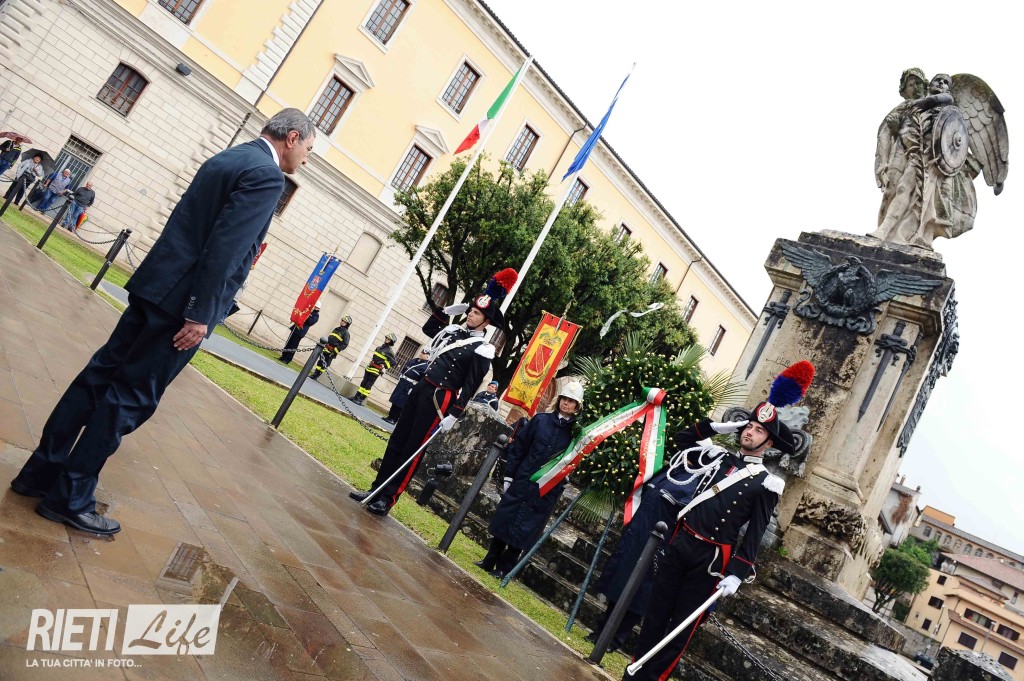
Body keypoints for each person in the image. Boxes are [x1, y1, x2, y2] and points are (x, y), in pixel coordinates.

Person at [9, 108, 316, 535]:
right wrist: (200, 313)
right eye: (308, 149)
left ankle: (39, 475)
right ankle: (69, 497)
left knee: (97, 379)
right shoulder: (267, 176)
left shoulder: (229, 156)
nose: (306, 158)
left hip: (156, 286)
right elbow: (226, 248)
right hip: (181, 307)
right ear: (292, 137)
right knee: (128, 399)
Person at [624, 405, 796, 680]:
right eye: (749, 426)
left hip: (711, 560)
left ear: (769, 443)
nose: (750, 432)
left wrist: (737, 573)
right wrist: (714, 427)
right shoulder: (718, 458)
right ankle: (634, 675)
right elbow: (681, 440)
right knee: (655, 613)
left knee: (681, 627)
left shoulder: (766, 483)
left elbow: (756, 532)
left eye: (758, 431)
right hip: (682, 543)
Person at [348, 271, 516, 516]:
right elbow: (429, 329)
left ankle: (388, 498)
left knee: (412, 448)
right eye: (471, 310)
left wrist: (455, 413)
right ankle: (376, 489)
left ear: (486, 322)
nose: (471, 314)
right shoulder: (452, 332)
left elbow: (471, 385)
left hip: (440, 398)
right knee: (397, 441)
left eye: (477, 313)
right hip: (422, 388)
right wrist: (445, 311)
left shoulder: (483, 348)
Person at [587, 467, 703, 653]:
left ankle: (615, 639)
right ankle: (601, 632)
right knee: (620, 584)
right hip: (638, 535)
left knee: (640, 593)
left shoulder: (696, 483)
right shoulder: (670, 469)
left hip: (659, 546)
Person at [475, 381, 583, 578]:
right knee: (506, 520)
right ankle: (489, 560)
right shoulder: (540, 421)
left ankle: (504, 568)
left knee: (524, 528)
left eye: (571, 401)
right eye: (564, 399)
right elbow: (520, 447)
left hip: (543, 488)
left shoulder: (575, 433)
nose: (566, 403)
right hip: (523, 479)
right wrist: (510, 474)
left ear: (577, 406)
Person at [347, 333, 397, 406]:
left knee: (368, 385)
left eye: (389, 339)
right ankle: (356, 397)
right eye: (386, 338)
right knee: (363, 383)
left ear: (391, 342)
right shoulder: (379, 348)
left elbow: (394, 362)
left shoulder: (389, 351)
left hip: (376, 370)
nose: (386, 339)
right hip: (370, 367)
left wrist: (384, 365)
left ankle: (361, 400)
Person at [385, 348, 430, 424]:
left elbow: (421, 379)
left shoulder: (425, 367)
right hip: (403, 381)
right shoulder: (414, 360)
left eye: (424, 353)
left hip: (410, 385)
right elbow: (405, 368)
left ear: (427, 356)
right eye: (422, 352)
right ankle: (390, 416)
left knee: (401, 402)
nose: (421, 354)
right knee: (395, 399)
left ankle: (394, 419)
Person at [310, 315, 353, 380]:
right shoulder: (336, 329)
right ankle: (314, 374)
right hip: (326, 348)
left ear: (347, 324)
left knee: (325, 364)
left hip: (332, 352)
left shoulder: (346, 333)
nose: (342, 322)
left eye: (344, 322)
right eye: (342, 321)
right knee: (320, 362)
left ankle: (318, 376)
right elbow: (330, 338)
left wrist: (335, 350)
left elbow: (345, 344)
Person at [279, 300, 321, 364]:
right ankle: (283, 356)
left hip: (301, 331)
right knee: (289, 343)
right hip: (296, 328)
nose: (315, 307)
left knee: (293, 345)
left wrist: (307, 315)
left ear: (318, 308)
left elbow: (310, 322)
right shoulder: (308, 310)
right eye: (315, 306)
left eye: (316, 307)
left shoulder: (316, 315)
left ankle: (287, 359)